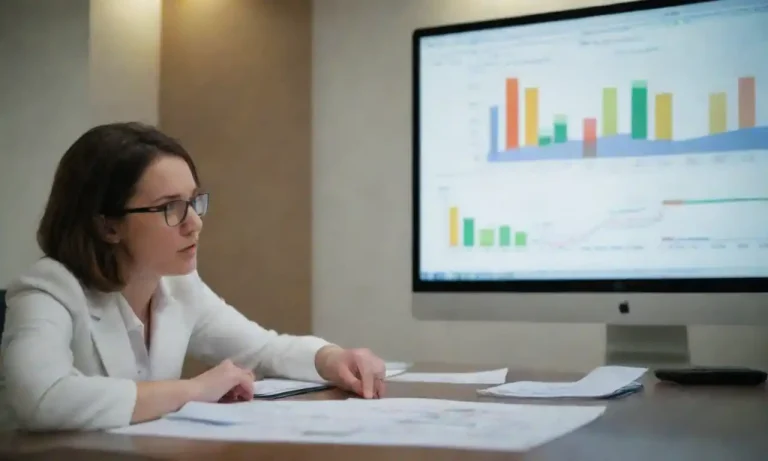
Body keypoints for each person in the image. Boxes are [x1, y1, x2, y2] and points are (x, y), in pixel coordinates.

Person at [0, 122, 386, 432]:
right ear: (108, 226)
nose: (195, 223)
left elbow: (264, 350)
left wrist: (331, 357)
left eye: (194, 202)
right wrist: (194, 390)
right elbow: (42, 398)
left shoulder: (178, 287)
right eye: (171, 208)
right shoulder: (48, 289)